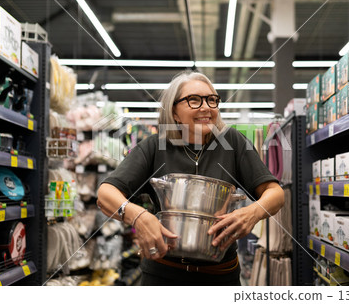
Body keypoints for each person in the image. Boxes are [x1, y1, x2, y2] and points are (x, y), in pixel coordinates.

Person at [97, 71, 285, 286]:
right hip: (163, 275)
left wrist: (253, 212)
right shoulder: (154, 146)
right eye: (194, 100)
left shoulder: (232, 142)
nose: (206, 107)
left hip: (220, 276)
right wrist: (138, 216)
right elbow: (106, 193)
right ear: (174, 112)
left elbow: (275, 193)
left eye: (212, 100)